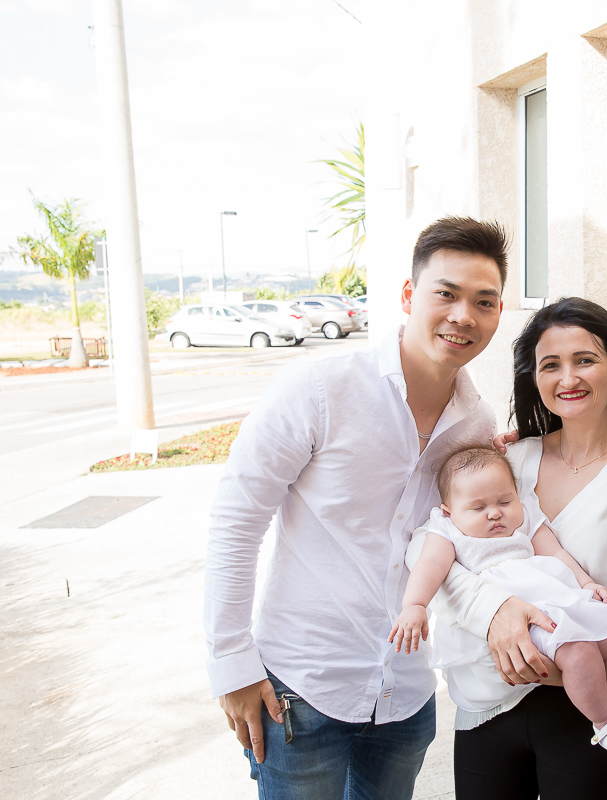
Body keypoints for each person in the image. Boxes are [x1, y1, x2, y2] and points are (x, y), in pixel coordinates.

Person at [204, 216, 557, 799]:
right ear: (408, 295)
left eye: (484, 301)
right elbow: (236, 520)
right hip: (301, 690)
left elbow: (467, 540)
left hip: (406, 700)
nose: (463, 315)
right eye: (446, 294)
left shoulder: (475, 425)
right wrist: (232, 664)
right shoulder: (320, 389)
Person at [426, 296, 607, 799]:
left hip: (593, 709)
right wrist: (495, 615)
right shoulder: (506, 462)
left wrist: (569, 663)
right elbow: (435, 554)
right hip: (489, 702)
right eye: (551, 365)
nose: (568, 377)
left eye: (584, 360)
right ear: (535, 379)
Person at [392, 444, 607, 758]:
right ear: (449, 510)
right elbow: (430, 567)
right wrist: (415, 605)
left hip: (555, 596)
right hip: (521, 615)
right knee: (579, 651)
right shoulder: (447, 529)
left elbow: (556, 552)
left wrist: (586, 583)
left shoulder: (525, 515)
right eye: (478, 508)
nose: (495, 513)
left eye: (504, 500)